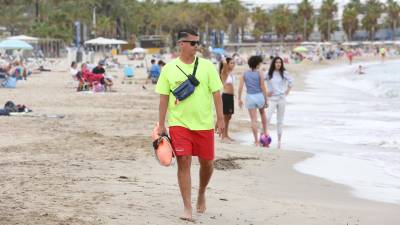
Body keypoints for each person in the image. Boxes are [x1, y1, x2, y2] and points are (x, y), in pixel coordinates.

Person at [155, 29, 224, 221]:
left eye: (197, 43)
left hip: (204, 124)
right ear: (181, 44)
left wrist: (221, 118)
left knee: (207, 163)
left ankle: (201, 192)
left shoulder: (207, 66)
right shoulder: (169, 68)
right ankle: (187, 207)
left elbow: (217, 93)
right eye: (193, 43)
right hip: (179, 123)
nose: (196, 46)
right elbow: (163, 98)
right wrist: (161, 124)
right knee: (183, 160)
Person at [238, 55, 269, 146]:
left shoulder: (245, 73)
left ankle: (256, 141)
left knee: (253, 120)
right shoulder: (260, 73)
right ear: (257, 64)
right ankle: (265, 133)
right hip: (259, 96)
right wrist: (266, 100)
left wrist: (239, 98)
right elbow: (262, 86)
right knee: (263, 114)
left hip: (250, 97)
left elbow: (240, 87)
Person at [265, 56, 294, 149]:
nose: (278, 64)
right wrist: (266, 92)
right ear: (273, 63)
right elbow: (261, 81)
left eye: (280, 62)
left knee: (280, 120)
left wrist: (287, 92)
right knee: (267, 118)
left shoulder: (284, 73)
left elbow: (291, 82)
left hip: (281, 98)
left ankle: (279, 141)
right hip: (272, 99)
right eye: (276, 62)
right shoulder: (269, 73)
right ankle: (264, 136)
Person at [219, 56, 236, 142]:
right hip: (226, 96)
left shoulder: (231, 74)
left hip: (231, 96)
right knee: (225, 117)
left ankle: (226, 134)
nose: (234, 65)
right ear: (227, 64)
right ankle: (223, 136)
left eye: (234, 63)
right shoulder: (224, 72)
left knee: (229, 117)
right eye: (232, 63)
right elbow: (224, 64)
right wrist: (223, 58)